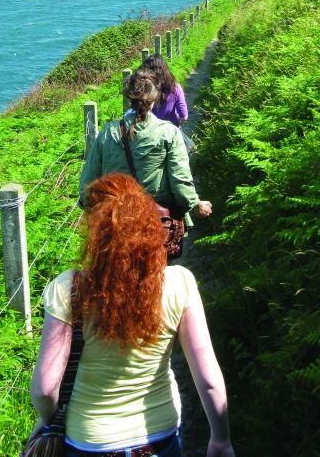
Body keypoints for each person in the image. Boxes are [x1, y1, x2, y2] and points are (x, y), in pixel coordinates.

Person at [30, 173, 235, 457]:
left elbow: (44, 389)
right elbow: (208, 378)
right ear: (149, 224)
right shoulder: (179, 282)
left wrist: (47, 417)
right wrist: (221, 439)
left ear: (94, 231)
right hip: (159, 436)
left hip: (89, 441)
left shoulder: (69, 288)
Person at [79, 68, 211, 221]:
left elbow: (88, 182)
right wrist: (196, 204)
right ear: (155, 98)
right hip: (156, 220)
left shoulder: (108, 132)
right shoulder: (169, 132)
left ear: (130, 97)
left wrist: (88, 206)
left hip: (116, 218)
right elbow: (180, 182)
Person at [139, 54, 188, 128]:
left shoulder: (144, 89)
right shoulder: (175, 88)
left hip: (147, 131)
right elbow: (183, 116)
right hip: (170, 131)